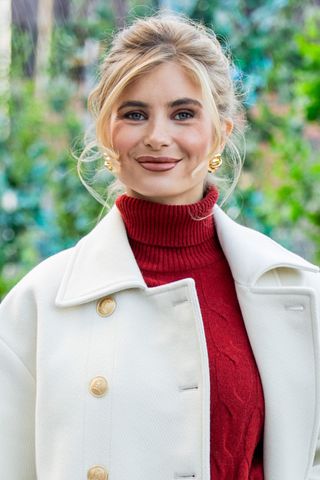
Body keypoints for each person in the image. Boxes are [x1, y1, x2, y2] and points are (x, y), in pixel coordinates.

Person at [0, 12, 319, 480]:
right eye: (134, 114)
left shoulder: (298, 292)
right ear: (107, 133)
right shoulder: (38, 305)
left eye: (183, 114)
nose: (157, 136)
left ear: (221, 132)